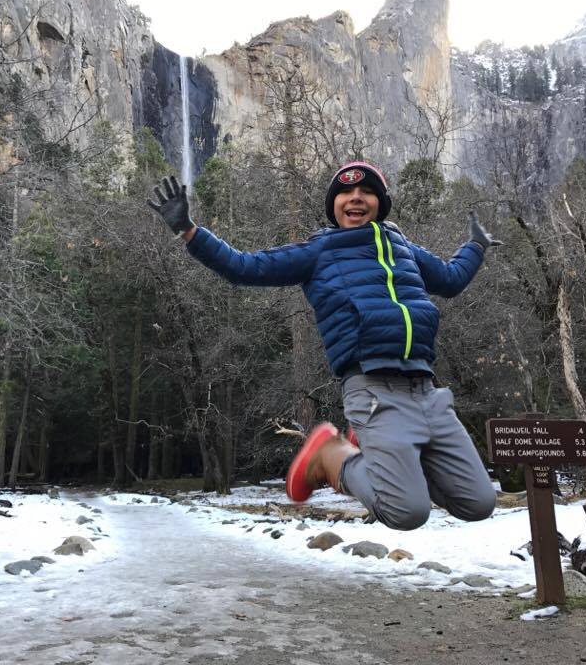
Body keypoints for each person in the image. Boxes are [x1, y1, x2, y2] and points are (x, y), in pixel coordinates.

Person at [147, 161, 499, 530]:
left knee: (478, 502)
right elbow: (244, 267)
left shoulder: (403, 247)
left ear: (381, 202)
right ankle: (334, 456)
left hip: (427, 390)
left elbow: (451, 279)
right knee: (407, 513)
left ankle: (391, 462)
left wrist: (476, 244)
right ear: (334, 206)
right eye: (345, 193)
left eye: (366, 192)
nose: (355, 198)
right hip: (374, 389)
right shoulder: (320, 250)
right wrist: (189, 231)